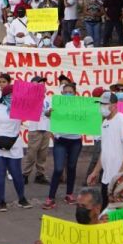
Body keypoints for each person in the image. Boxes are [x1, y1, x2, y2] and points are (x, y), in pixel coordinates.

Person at [85, 91, 123, 210]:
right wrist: (95, 171)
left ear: (113, 106)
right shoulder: (105, 123)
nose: (101, 107)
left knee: (120, 212)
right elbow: (105, 150)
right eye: (100, 104)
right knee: (106, 211)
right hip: (107, 177)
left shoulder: (122, 120)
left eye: (104, 104)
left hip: (120, 178)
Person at [0, 82, 30, 211]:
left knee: (16, 173)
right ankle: (1, 201)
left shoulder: (21, 108)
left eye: (14, 94)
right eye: (10, 94)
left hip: (15, 144)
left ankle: (22, 198)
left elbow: (32, 112)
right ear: (4, 95)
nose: (12, 97)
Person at [45, 80, 84, 209]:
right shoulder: (56, 105)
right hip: (60, 140)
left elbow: (89, 116)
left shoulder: (80, 106)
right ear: (61, 93)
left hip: (75, 141)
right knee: (58, 169)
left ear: (75, 93)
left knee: (72, 167)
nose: (68, 94)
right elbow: (46, 114)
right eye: (65, 92)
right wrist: (49, 112)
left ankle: (69, 194)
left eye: (70, 92)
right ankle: (50, 197)